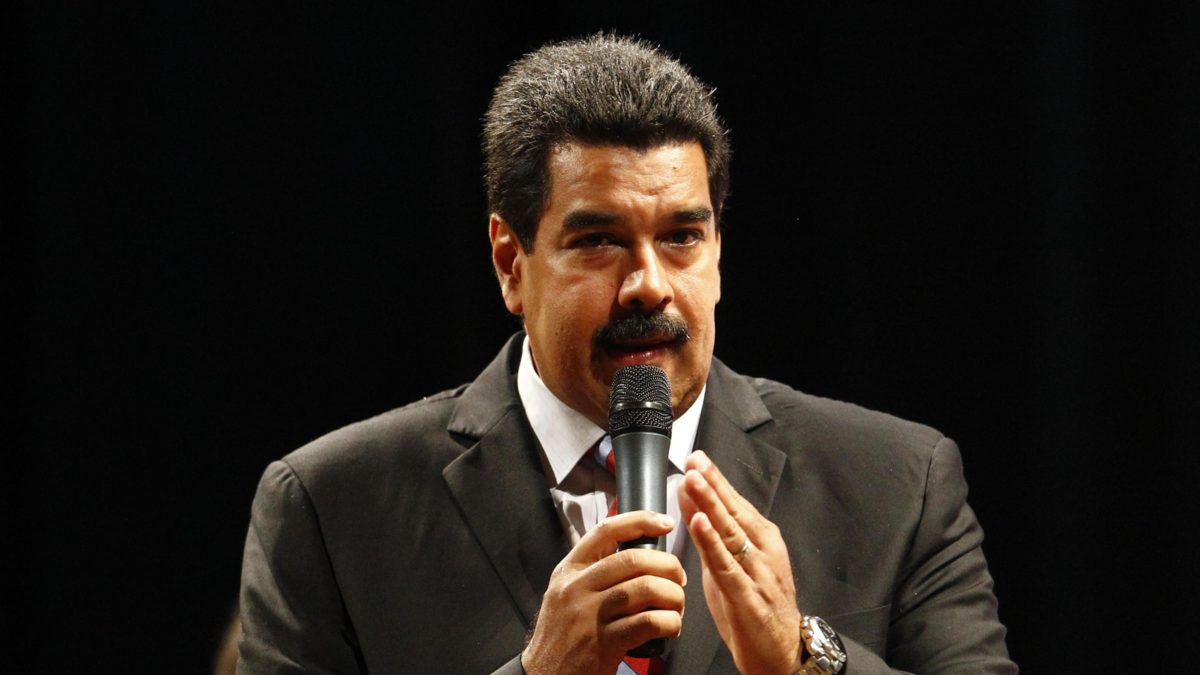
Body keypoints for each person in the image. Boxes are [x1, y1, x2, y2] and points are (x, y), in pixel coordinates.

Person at [237, 34, 1015, 675]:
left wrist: (803, 659)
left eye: (681, 236)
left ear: (718, 250)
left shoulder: (898, 485)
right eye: (599, 240)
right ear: (510, 263)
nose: (648, 284)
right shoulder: (330, 508)